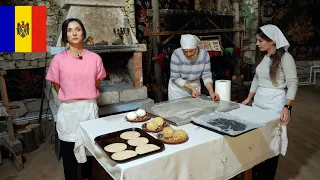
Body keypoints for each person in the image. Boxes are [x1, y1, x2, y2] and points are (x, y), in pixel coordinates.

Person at [46, 18, 106, 180]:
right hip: (69, 110)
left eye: (78, 29)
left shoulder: (94, 59)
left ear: (83, 33)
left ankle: (87, 176)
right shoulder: (58, 60)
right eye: (69, 30)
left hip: (88, 108)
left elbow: (97, 82)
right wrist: (70, 95)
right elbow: (57, 84)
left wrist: (84, 93)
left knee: (89, 148)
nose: (74, 33)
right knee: (69, 151)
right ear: (65, 36)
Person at [242, 24, 298, 180]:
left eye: (260, 41)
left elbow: (293, 83)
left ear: (272, 40)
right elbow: (256, 78)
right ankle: (257, 172)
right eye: (257, 41)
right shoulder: (264, 56)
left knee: (271, 142)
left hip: (275, 103)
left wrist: (287, 107)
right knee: (258, 139)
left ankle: (267, 176)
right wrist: (249, 98)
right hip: (259, 101)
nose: (258, 44)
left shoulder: (286, 58)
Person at [168, 34, 220, 101]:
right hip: (178, 91)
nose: (188, 54)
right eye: (185, 51)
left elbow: (206, 75)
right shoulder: (176, 54)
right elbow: (175, 77)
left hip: (195, 88)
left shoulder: (204, 55)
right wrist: (191, 88)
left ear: (196, 47)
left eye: (191, 51)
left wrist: (211, 92)